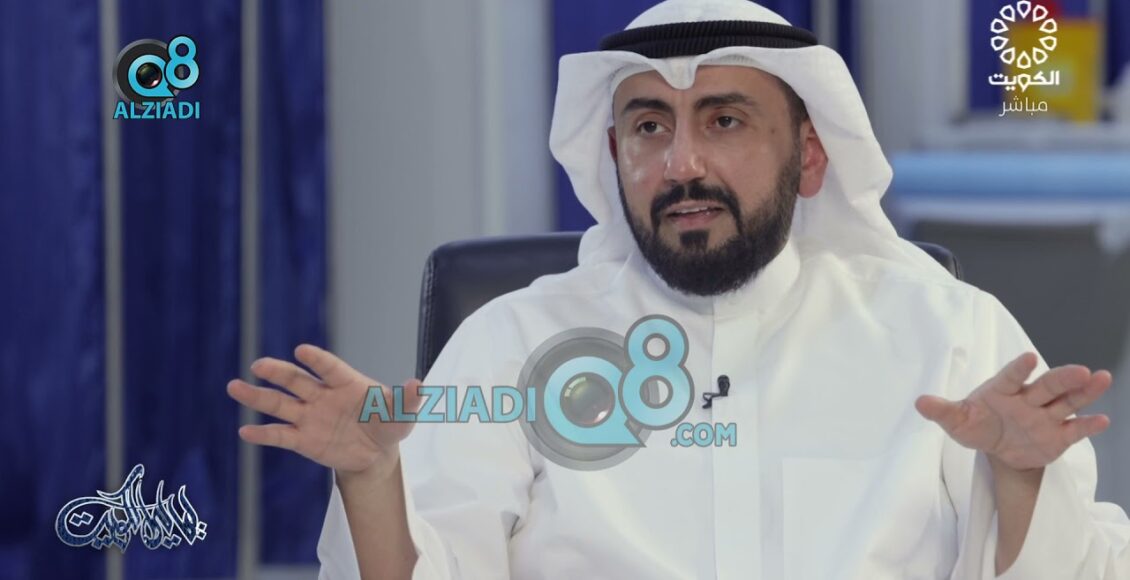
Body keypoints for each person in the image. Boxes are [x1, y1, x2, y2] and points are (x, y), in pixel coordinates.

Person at [226, 0, 1130, 577]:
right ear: (613, 152)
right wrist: (372, 480)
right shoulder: (514, 343)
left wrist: (1020, 481)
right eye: (649, 126)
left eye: (724, 121)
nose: (681, 163)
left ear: (810, 157)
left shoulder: (948, 332)